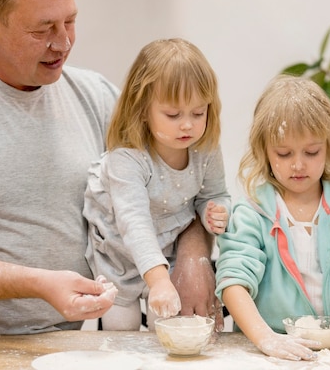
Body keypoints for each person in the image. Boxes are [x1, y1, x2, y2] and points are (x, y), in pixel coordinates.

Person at [0, 0, 220, 335]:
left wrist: (194, 254)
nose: (63, 42)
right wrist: (39, 284)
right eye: (42, 29)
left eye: (70, 21)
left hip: (74, 340)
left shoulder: (96, 95)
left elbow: (179, 189)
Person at [215, 75, 330, 361]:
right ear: (264, 151)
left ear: (328, 146)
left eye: (311, 152)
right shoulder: (254, 211)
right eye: (283, 153)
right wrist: (266, 339)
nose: (298, 164)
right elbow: (233, 280)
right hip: (273, 351)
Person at [83, 38, 231, 330]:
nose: (187, 124)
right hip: (119, 255)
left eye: (198, 112)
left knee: (164, 333)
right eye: (173, 115)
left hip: (168, 248)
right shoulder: (127, 158)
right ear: (142, 109)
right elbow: (134, 222)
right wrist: (159, 280)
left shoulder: (206, 149)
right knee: (120, 335)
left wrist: (216, 211)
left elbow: (214, 194)